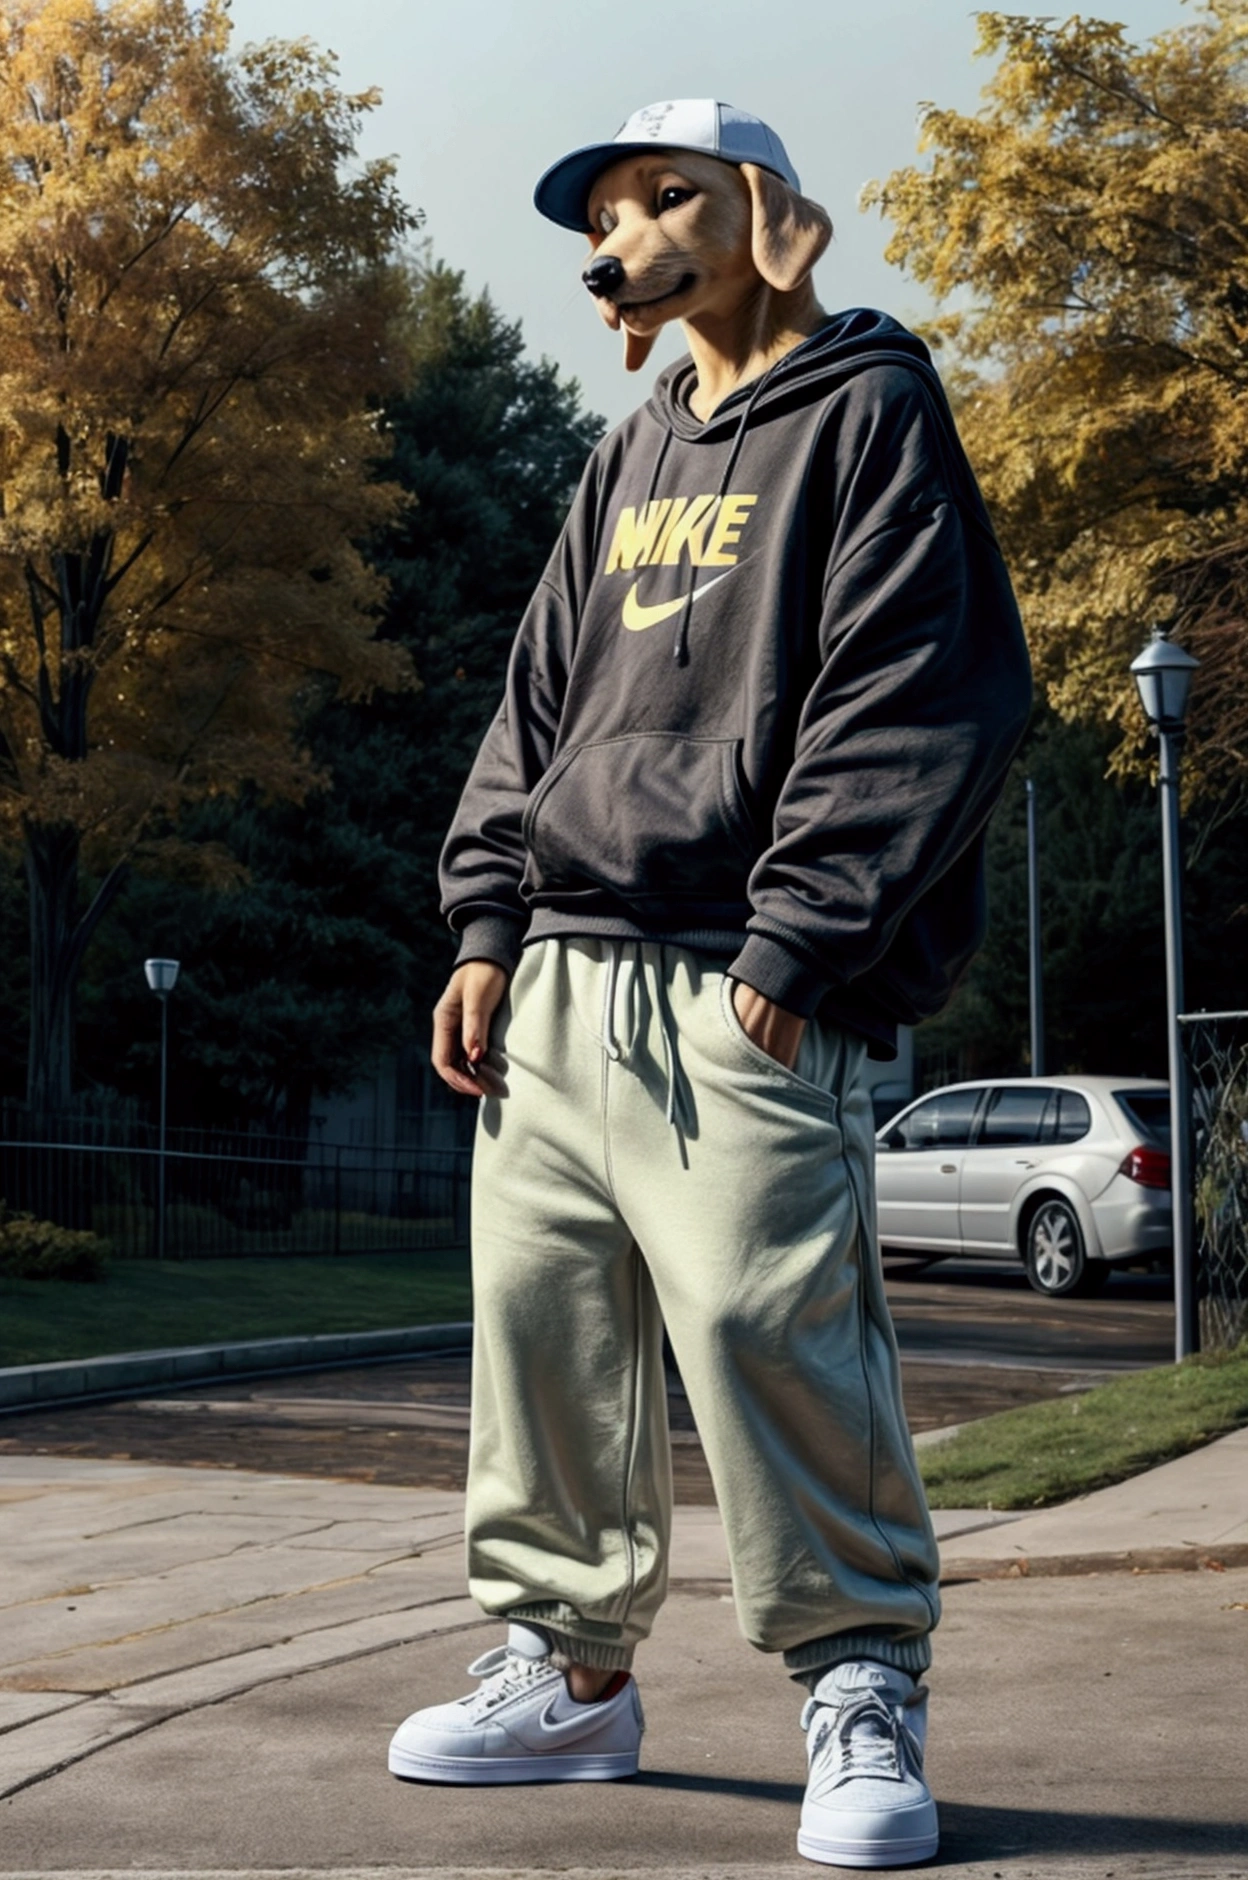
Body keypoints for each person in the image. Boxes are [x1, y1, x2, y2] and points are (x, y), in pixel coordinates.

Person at [388, 100, 1031, 1870]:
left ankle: (860, 1684)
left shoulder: (872, 410)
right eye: (609, 214)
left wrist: (801, 941)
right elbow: (540, 702)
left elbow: (925, 689)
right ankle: (571, 1677)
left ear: (768, 216)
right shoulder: (631, 447)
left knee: (771, 1336)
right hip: (561, 987)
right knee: (547, 1346)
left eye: (668, 201)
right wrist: (484, 925)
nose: (629, 239)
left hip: (741, 981)